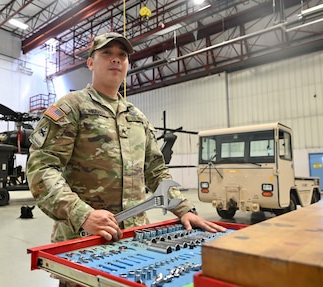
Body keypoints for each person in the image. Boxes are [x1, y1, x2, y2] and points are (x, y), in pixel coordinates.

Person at [26, 30, 225, 248]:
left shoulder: (136, 117)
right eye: (107, 53)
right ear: (91, 63)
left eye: (122, 55)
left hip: (135, 237)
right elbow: (42, 167)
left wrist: (184, 208)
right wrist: (82, 214)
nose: (116, 59)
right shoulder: (71, 107)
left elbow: (156, 171)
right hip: (85, 239)